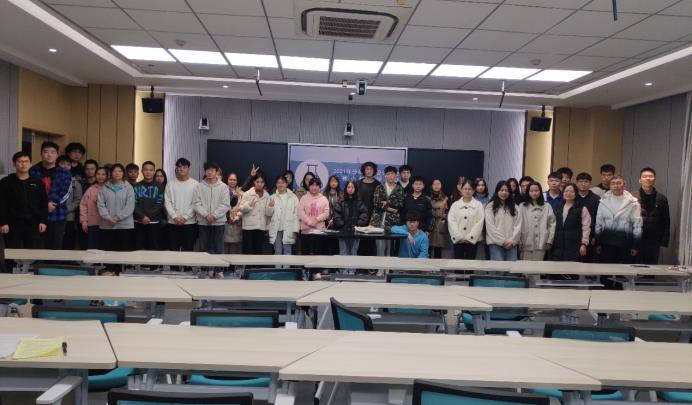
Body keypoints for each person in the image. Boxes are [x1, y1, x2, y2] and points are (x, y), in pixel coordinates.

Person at [0, 151, 47, 249]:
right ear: (14, 164)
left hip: (33, 223)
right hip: (12, 224)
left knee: (31, 252)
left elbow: (43, 203)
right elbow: (2, 204)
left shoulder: (38, 182)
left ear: (30, 164)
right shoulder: (5, 182)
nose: (23, 164)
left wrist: (43, 221)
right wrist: (3, 222)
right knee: (12, 252)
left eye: (26, 161)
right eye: (20, 161)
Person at [30, 141, 72, 249]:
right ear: (41, 153)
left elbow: (66, 192)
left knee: (55, 247)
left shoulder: (64, 172)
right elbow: (30, 192)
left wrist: (53, 204)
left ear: (57, 155)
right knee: (37, 247)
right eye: (46, 152)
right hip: (37, 215)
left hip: (57, 214)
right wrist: (44, 206)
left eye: (53, 152)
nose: (49, 155)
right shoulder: (32, 171)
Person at [595, 176, 642, 264]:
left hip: (625, 243)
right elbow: (598, 223)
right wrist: (598, 243)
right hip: (606, 243)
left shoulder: (633, 202)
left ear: (624, 185)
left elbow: (637, 225)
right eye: (613, 183)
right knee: (605, 270)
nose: (616, 186)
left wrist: (635, 245)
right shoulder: (603, 201)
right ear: (610, 186)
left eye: (619, 183)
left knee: (622, 271)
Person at [193, 162, 231, 265]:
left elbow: (225, 204)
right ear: (205, 171)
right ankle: (204, 270)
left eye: (212, 170)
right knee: (203, 248)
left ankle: (218, 270)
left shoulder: (223, 187)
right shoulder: (199, 186)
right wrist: (206, 215)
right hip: (203, 222)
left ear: (217, 172)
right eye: (207, 170)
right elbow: (196, 203)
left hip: (219, 222)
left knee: (218, 248)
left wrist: (214, 216)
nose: (209, 172)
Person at [632, 167, 670, 264]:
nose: (648, 178)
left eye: (650, 176)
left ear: (654, 179)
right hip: (636, 239)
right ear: (640, 180)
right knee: (634, 267)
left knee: (651, 267)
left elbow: (666, 221)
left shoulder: (661, 198)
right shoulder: (632, 197)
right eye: (645, 176)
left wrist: (664, 243)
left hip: (654, 240)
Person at [97, 164, 135, 253]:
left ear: (123, 173)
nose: (117, 173)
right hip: (107, 225)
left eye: (120, 171)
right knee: (108, 252)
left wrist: (117, 218)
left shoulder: (129, 188)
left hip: (124, 226)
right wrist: (108, 217)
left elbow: (130, 206)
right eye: (114, 171)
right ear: (110, 173)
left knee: (123, 252)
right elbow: (100, 204)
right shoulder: (104, 188)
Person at [165, 158, 199, 252]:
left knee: (188, 250)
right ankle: (174, 264)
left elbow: (195, 203)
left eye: (184, 167)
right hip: (173, 222)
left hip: (189, 223)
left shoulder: (195, 184)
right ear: (176, 168)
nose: (181, 169)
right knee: (173, 250)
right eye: (179, 167)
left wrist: (185, 217)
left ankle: (187, 264)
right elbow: (167, 202)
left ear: (189, 168)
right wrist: (174, 216)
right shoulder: (170, 184)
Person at [370, 166, 405, 256]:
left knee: (390, 246)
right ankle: (380, 265)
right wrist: (391, 208)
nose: (390, 176)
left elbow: (400, 204)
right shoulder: (379, 187)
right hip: (378, 220)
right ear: (385, 175)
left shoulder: (399, 188)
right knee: (379, 246)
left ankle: (388, 265)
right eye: (388, 174)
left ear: (396, 175)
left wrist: (386, 203)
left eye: (392, 174)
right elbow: (376, 203)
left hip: (392, 222)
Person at [550, 183, 590, 262]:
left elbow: (586, 228)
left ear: (576, 193)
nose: (568, 194)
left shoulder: (582, 209)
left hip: (574, 246)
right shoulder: (558, 207)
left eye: (572, 192)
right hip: (558, 245)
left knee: (571, 268)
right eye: (566, 191)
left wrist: (584, 244)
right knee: (557, 268)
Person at [485, 181, 522, 261]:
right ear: (497, 191)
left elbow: (518, 226)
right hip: (495, 243)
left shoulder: (515, 207)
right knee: (498, 267)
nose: (504, 193)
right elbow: (490, 227)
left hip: (511, 244)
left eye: (507, 190)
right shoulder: (490, 207)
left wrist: (512, 241)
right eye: (501, 190)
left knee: (512, 267)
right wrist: (502, 242)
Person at [518, 182, 556, 261]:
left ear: (540, 192)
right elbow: (517, 224)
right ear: (528, 192)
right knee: (525, 266)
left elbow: (552, 224)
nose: (534, 193)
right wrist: (519, 241)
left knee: (538, 266)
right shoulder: (522, 206)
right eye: (531, 191)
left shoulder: (547, 206)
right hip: (525, 242)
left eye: (536, 191)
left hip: (541, 243)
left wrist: (549, 241)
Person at [447, 179, 484, 259]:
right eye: (465, 189)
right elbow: (451, 221)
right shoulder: (455, 205)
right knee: (458, 263)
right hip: (458, 240)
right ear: (461, 190)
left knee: (470, 263)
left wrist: (470, 237)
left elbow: (480, 222)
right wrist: (458, 237)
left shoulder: (478, 205)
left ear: (473, 191)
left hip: (472, 241)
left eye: (470, 189)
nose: (467, 191)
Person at [133, 161, 166, 250]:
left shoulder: (160, 186)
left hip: (154, 223)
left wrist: (147, 216)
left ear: (154, 172)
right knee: (139, 248)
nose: (148, 172)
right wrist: (142, 216)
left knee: (154, 248)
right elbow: (134, 204)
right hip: (139, 222)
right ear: (142, 171)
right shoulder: (136, 186)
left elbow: (159, 203)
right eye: (146, 170)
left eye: (151, 170)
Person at [333, 180, 369, 258]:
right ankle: (343, 267)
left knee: (353, 253)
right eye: (348, 187)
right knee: (343, 253)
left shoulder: (359, 202)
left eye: (352, 187)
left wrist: (358, 224)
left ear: (355, 189)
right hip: (343, 232)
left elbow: (364, 214)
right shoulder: (341, 201)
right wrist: (341, 224)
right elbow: (336, 214)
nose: (350, 189)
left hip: (355, 232)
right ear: (346, 189)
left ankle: (352, 267)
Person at [266, 175, 299, 256]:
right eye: (278, 183)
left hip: (289, 228)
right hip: (276, 229)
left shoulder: (293, 197)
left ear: (286, 184)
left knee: (288, 251)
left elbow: (297, 214)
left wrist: (296, 229)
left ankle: (287, 265)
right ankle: (277, 265)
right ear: (276, 184)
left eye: (283, 183)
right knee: (277, 251)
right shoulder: (272, 197)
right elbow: (268, 214)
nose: (280, 185)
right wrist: (270, 206)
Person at [239, 174, 271, 254]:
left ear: (264, 183)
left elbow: (268, 214)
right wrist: (249, 205)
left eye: (262, 182)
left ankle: (256, 264)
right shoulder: (247, 194)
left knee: (258, 252)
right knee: (248, 251)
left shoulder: (267, 195)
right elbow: (241, 208)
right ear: (254, 182)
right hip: (248, 228)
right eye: (257, 182)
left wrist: (271, 207)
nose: (260, 184)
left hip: (261, 228)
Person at [298, 177, 330, 255]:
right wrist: (309, 222)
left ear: (320, 187)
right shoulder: (303, 198)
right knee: (305, 255)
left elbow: (326, 213)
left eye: (316, 185)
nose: (314, 187)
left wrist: (317, 219)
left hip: (319, 231)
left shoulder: (324, 199)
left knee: (318, 254)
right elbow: (300, 212)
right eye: (312, 185)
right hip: (305, 231)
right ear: (309, 186)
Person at [58, 155, 83, 250]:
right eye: (62, 164)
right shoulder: (52, 180)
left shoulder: (75, 183)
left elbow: (78, 200)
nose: (65, 166)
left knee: (67, 242)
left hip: (68, 217)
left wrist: (65, 209)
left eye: (68, 164)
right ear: (57, 164)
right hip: (52, 216)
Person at [80, 167, 108, 250]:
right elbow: (83, 205)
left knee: (105, 248)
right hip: (93, 223)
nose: (100, 176)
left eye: (103, 174)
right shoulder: (90, 189)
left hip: (107, 223)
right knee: (93, 248)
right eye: (98, 174)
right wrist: (84, 221)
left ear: (107, 176)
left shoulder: (111, 189)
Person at [575, 172, 600, 261]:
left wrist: (595, 236)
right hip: (574, 234)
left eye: (586, 181)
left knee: (588, 261)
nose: (583, 184)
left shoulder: (596, 199)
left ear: (590, 183)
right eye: (581, 181)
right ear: (576, 183)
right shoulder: (572, 197)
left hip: (590, 235)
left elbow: (598, 219)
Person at [428, 178, 448, 258]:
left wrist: (444, 217)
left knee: (438, 250)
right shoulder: (427, 197)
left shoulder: (445, 198)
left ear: (441, 185)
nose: (436, 186)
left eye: (438, 184)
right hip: (429, 225)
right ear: (431, 186)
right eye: (434, 184)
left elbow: (448, 212)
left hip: (440, 226)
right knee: (427, 249)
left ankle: (438, 266)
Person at [223, 172, 243, 254]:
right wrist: (228, 218)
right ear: (227, 180)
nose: (232, 181)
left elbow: (242, 207)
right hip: (225, 223)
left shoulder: (241, 193)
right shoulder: (222, 191)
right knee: (223, 250)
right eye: (230, 179)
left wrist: (237, 217)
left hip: (236, 223)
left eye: (234, 180)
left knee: (234, 251)